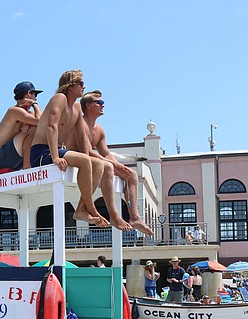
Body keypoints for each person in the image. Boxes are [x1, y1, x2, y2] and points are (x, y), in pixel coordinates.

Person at [29, 69, 109, 228]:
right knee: (87, 161)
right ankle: (91, 208)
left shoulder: (77, 107)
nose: (84, 87)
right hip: (41, 152)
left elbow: (82, 137)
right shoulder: (59, 98)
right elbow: (51, 127)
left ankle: (81, 209)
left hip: (58, 150)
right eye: (81, 83)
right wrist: (55, 158)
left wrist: (89, 162)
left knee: (98, 164)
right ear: (70, 85)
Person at [74, 90, 154, 236]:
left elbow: (105, 153)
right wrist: (113, 164)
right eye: (100, 103)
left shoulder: (99, 129)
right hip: (79, 158)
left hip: (93, 160)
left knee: (132, 174)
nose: (103, 106)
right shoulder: (81, 124)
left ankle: (135, 217)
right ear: (88, 106)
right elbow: (86, 151)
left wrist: (120, 166)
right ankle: (114, 216)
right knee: (109, 167)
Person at [0, 81, 43, 170]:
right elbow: (40, 121)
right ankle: (28, 168)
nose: (36, 99)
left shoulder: (28, 114)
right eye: (35, 95)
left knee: (37, 128)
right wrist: (34, 104)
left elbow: (43, 123)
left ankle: (31, 164)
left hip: (14, 157)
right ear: (29, 94)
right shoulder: (14, 111)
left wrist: (29, 124)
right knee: (34, 129)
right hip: (1, 156)